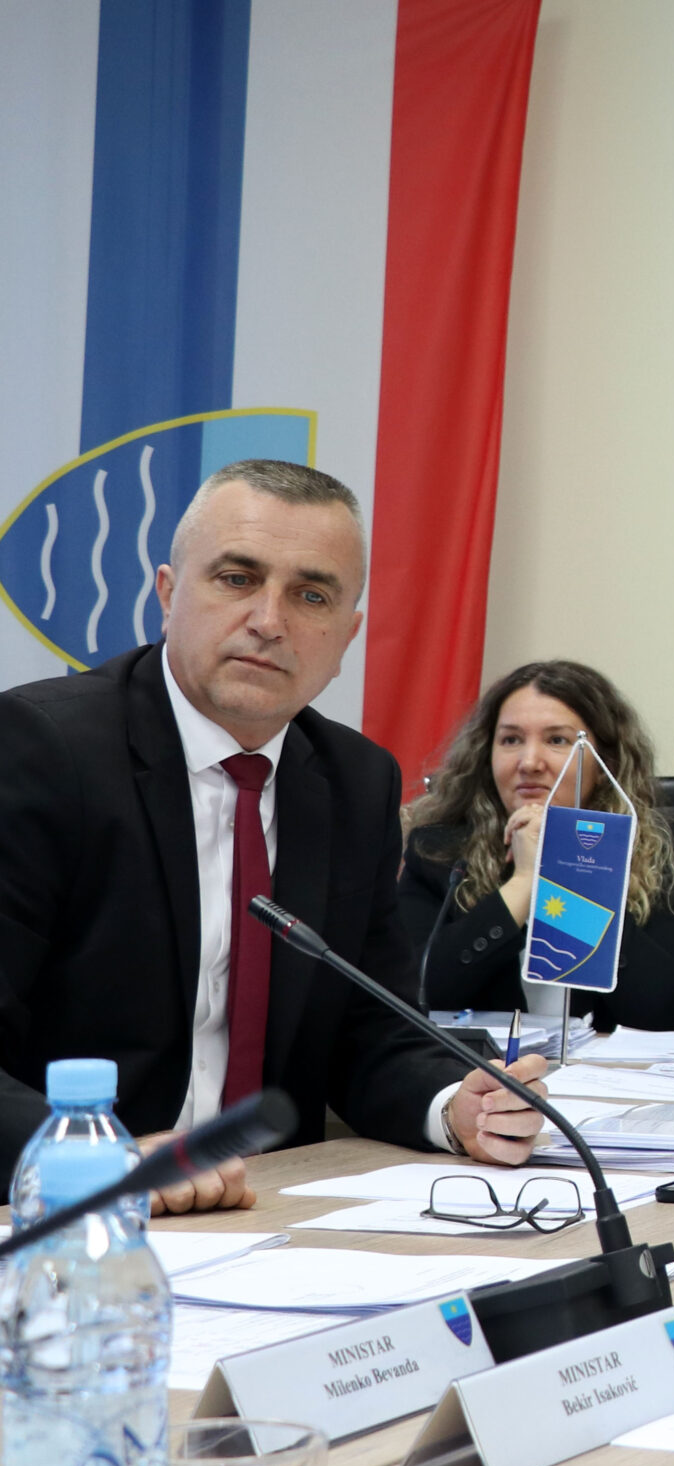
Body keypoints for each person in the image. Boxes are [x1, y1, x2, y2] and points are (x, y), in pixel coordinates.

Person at [0, 460, 552, 1211]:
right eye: (237, 579)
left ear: (348, 634)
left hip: (270, 1211)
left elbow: (370, 1030)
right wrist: (94, 1159)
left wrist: (456, 1107)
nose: (269, 620)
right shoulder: (42, 750)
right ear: (168, 594)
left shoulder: (355, 781)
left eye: (311, 595)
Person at [400, 660, 674, 1030]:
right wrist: (523, 882)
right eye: (511, 740)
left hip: (604, 1066)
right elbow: (417, 993)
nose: (529, 762)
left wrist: (569, 873)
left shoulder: (652, 847)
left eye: (557, 740)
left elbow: (663, 1009)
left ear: (605, 762)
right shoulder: (437, 851)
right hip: (482, 1066)